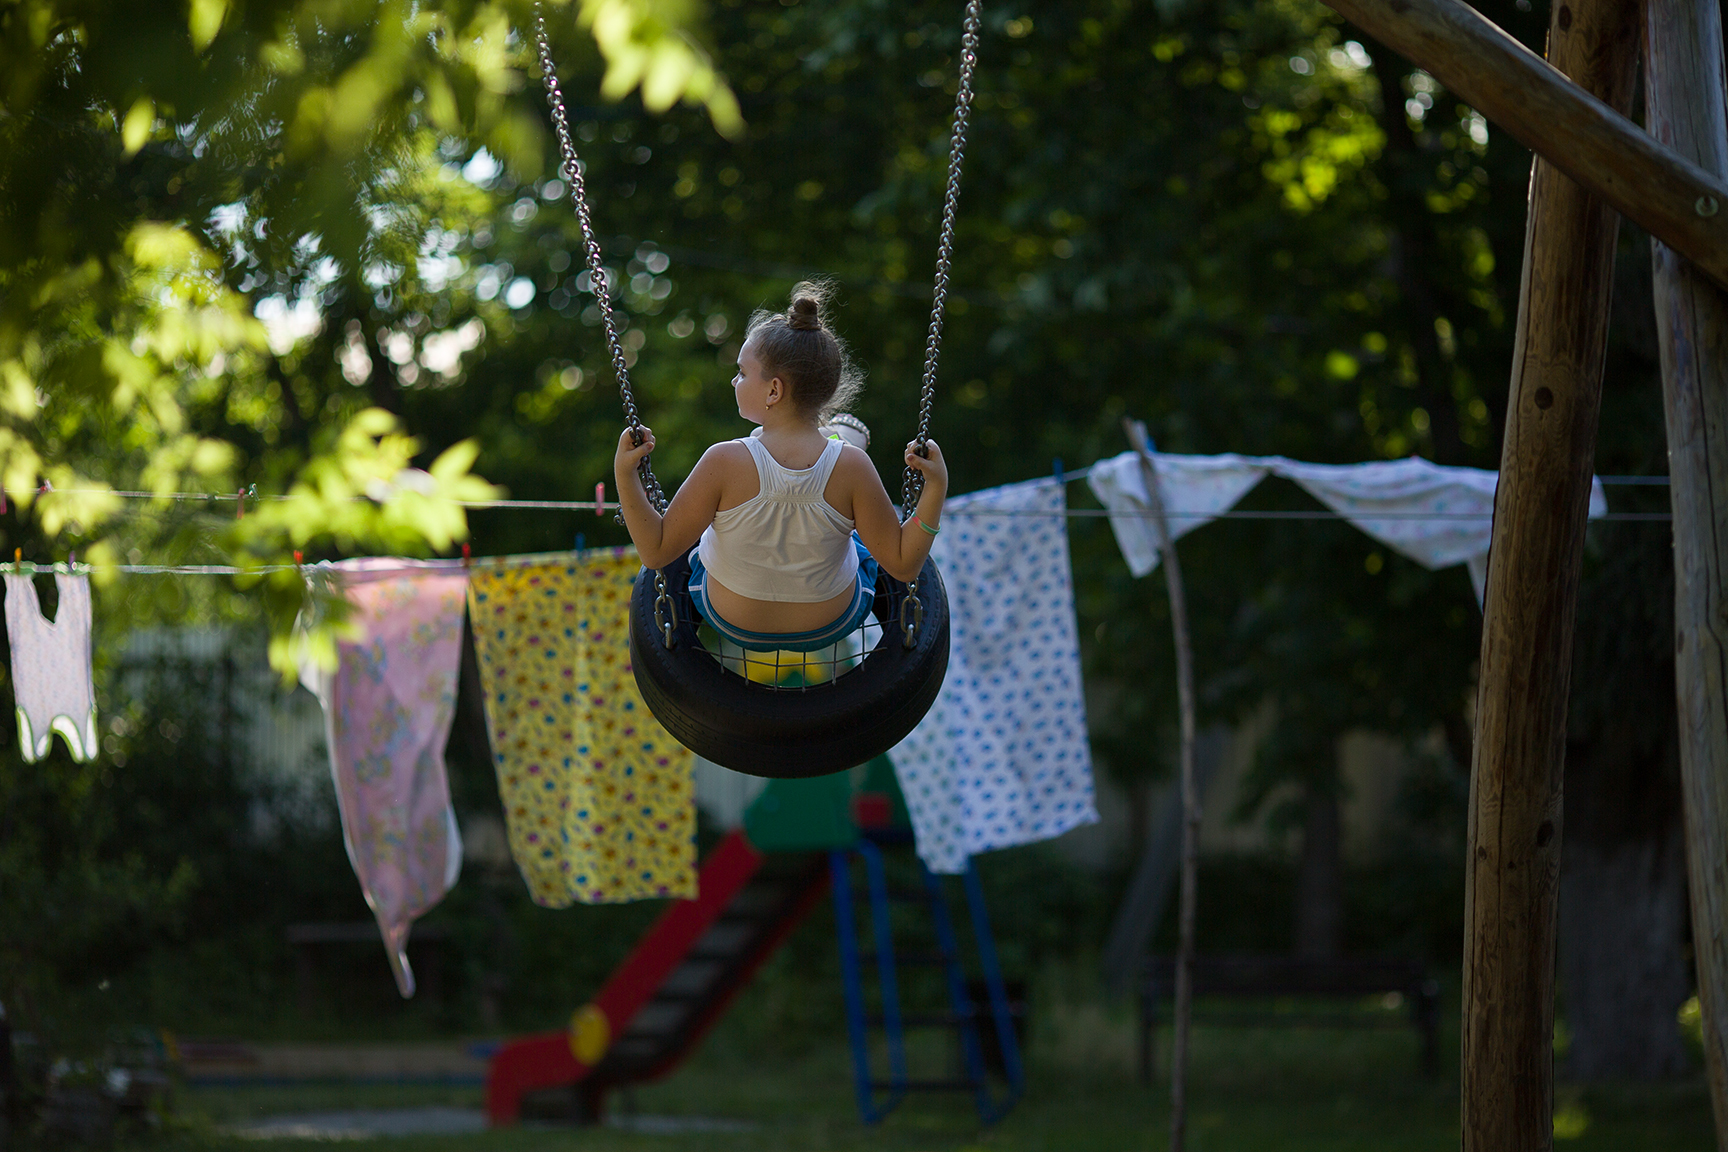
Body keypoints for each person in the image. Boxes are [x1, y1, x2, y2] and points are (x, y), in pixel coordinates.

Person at [614, 281, 948, 652]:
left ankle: (828, 437)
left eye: (741, 372)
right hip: (829, 624)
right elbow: (903, 566)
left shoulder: (723, 460)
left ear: (773, 391)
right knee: (855, 538)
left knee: (705, 535)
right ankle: (833, 439)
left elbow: (657, 551)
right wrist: (935, 489)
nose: (733, 380)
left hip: (732, 620)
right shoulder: (855, 468)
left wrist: (625, 473)